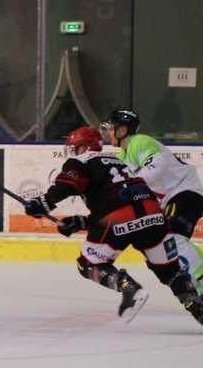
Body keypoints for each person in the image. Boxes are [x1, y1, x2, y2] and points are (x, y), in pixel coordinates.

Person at [23, 125, 203, 324]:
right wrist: (81, 222)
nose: (72, 152)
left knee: (87, 263)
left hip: (119, 216)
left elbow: (68, 185)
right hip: (154, 215)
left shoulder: (80, 161)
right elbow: (123, 200)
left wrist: (43, 203)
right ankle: (196, 306)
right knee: (170, 271)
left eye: (74, 148)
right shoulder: (119, 161)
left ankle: (128, 287)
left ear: (83, 147)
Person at [103, 109, 203, 293]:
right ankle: (195, 287)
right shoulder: (123, 156)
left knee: (174, 238)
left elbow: (157, 168)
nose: (108, 133)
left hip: (185, 190)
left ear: (122, 130)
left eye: (111, 128)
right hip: (172, 198)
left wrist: (128, 187)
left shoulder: (140, 141)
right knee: (165, 244)